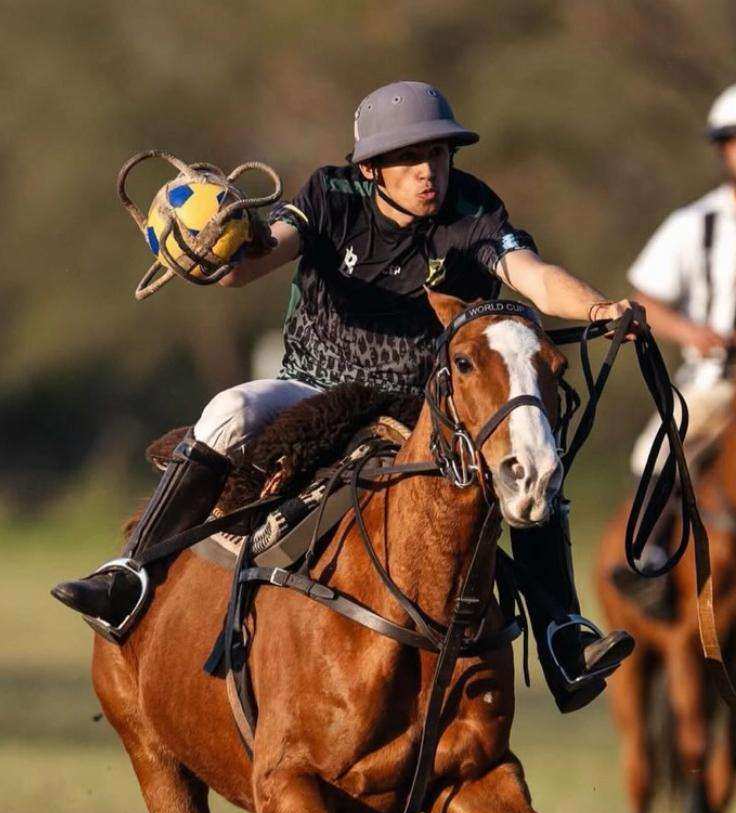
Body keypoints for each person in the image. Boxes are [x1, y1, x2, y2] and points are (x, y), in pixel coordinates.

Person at [53, 80, 638, 712]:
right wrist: (218, 253)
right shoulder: (330, 195)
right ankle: (131, 576)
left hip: (420, 408)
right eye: (408, 158)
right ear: (370, 169)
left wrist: (599, 308)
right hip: (313, 386)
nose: (428, 172)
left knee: (532, 461)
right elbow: (258, 257)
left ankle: (561, 635)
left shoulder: (474, 212)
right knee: (227, 411)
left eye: (437, 154)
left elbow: (534, 279)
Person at [617, 80, 736, 605]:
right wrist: (693, 333)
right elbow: (646, 299)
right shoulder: (692, 224)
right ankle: (649, 562)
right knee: (657, 452)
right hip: (711, 383)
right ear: (723, 149)